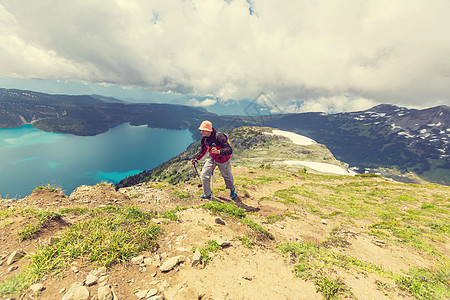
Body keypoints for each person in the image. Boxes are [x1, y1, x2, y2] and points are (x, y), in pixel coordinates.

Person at [191, 120, 236, 199]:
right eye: (201, 130)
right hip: (212, 158)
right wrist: (196, 159)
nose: (201, 132)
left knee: (227, 176)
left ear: (209, 130)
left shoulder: (220, 137)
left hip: (223, 160)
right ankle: (208, 194)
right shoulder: (204, 139)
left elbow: (229, 150)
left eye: (203, 130)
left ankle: (232, 188)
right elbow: (203, 150)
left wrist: (219, 151)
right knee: (204, 175)